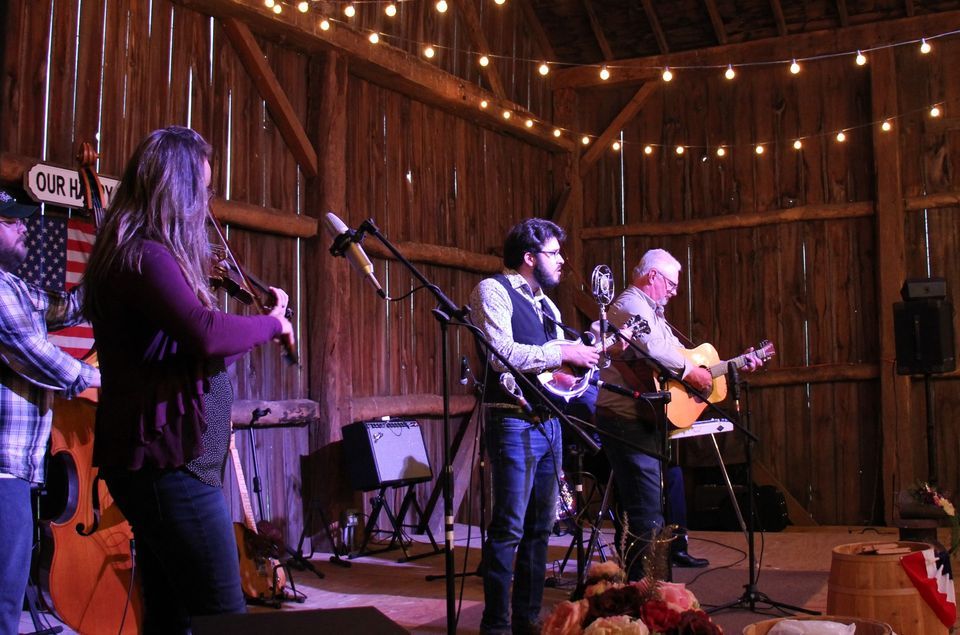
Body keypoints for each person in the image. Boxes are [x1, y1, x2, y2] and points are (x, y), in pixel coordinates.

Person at [82, 126, 295, 634]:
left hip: (169, 466)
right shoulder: (143, 255)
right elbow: (204, 333)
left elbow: (190, 346)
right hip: (166, 468)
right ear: (176, 188)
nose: (207, 201)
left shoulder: (144, 254)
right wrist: (274, 324)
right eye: (202, 189)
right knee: (225, 616)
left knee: (170, 616)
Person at [594, 248, 762, 580]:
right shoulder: (631, 305)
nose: (674, 291)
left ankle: (639, 588)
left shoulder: (653, 312)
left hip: (642, 419)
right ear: (652, 276)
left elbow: (678, 355)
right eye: (670, 284)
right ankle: (649, 593)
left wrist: (734, 365)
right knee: (646, 512)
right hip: (625, 419)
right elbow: (656, 352)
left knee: (641, 509)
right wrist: (690, 372)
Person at [469, 218, 599, 634]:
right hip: (511, 420)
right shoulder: (494, 290)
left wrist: (582, 364)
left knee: (541, 528)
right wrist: (561, 350)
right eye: (554, 253)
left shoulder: (549, 306)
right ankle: (496, 625)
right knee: (509, 526)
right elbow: (500, 354)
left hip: (549, 423)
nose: (562, 260)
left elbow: (554, 373)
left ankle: (526, 619)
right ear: (529, 257)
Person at [0, 188, 101, 635]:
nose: (24, 225)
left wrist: (104, 271)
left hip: (16, 469)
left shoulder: (16, 287)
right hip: (1, 471)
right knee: (3, 601)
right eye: (10, 220)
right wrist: (109, 381)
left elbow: (65, 307)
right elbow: (44, 358)